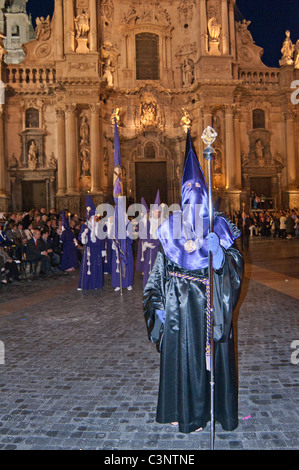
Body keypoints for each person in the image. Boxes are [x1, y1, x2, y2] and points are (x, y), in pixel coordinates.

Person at [143, 131, 244, 434]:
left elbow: (234, 268)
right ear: (182, 198)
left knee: (205, 361)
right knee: (179, 363)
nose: (194, 198)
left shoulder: (218, 227)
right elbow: (157, 274)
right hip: (176, 311)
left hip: (207, 307)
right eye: (189, 193)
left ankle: (209, 411)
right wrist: (157, 307)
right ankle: (178, 410)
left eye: (199, 192)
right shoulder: (170, 230)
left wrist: (219, 256)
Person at [77, 196, 104, 291]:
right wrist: (84, 235)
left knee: (97, 266)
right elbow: (81, 238)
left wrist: (102, 250)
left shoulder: (98, 226)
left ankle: (96, 283)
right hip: (89, 249)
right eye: (93, 217)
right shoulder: (85, 226)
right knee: (87, 267)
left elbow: (101, 238)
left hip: (97, 249)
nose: (95, 219)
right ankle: (85, 284)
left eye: (96, 217)